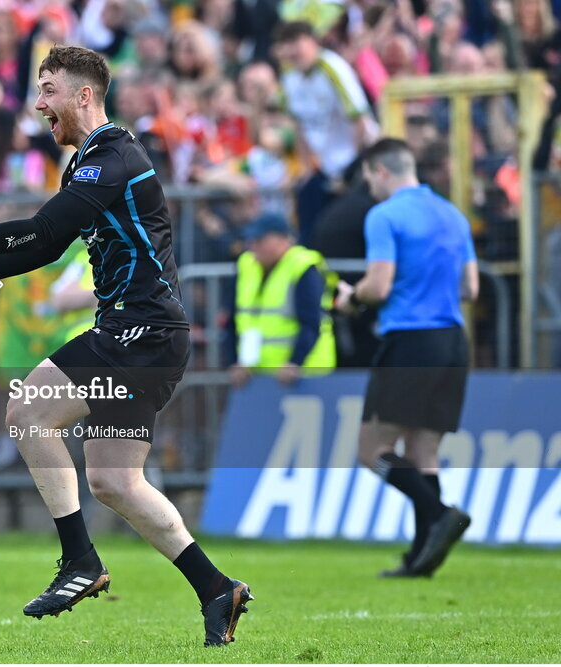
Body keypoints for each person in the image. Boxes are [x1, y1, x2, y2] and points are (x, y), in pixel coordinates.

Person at [0, 45, 252, 647]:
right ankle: (216, 589)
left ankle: (80, 561)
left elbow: (48, 231)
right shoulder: (89, 161)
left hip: (139, 334)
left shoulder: (113, 156)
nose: (38, 103)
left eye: (48, 89)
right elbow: (44, 247)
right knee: (114, 482)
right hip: (146, 338)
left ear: (85, 95)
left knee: (27, 410)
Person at [334, 138, 477, 578]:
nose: (369, 191)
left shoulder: (385, 215)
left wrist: (350, 297)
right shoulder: (453, 214)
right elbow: (470, 289)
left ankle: (438, 513)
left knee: (369, 450)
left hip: (411, 342)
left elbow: (378, 286)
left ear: (380, 171)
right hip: (453, 339)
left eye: (368, 181)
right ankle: (421, 560)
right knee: (423, 451)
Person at [275, 21, 379, 247]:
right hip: (325, 167)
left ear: (313, 42)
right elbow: (299, 126)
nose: (293, 51)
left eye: (297, 42)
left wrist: (350, 170)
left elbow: (359, 120)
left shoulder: (333, 67)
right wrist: (305, 169)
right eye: (287, 44)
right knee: (310, 223)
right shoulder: (289, 77)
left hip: (355, 162)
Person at [225, 212, 337, 386]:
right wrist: (235, 362)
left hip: (306, 375)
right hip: (258, 378)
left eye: (260, 240)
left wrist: (295, 362)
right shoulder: (246, 265)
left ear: (283, 240)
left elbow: (311, 322)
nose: (253, 245)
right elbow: (233, 320)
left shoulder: (303, 266)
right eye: (251, 240)